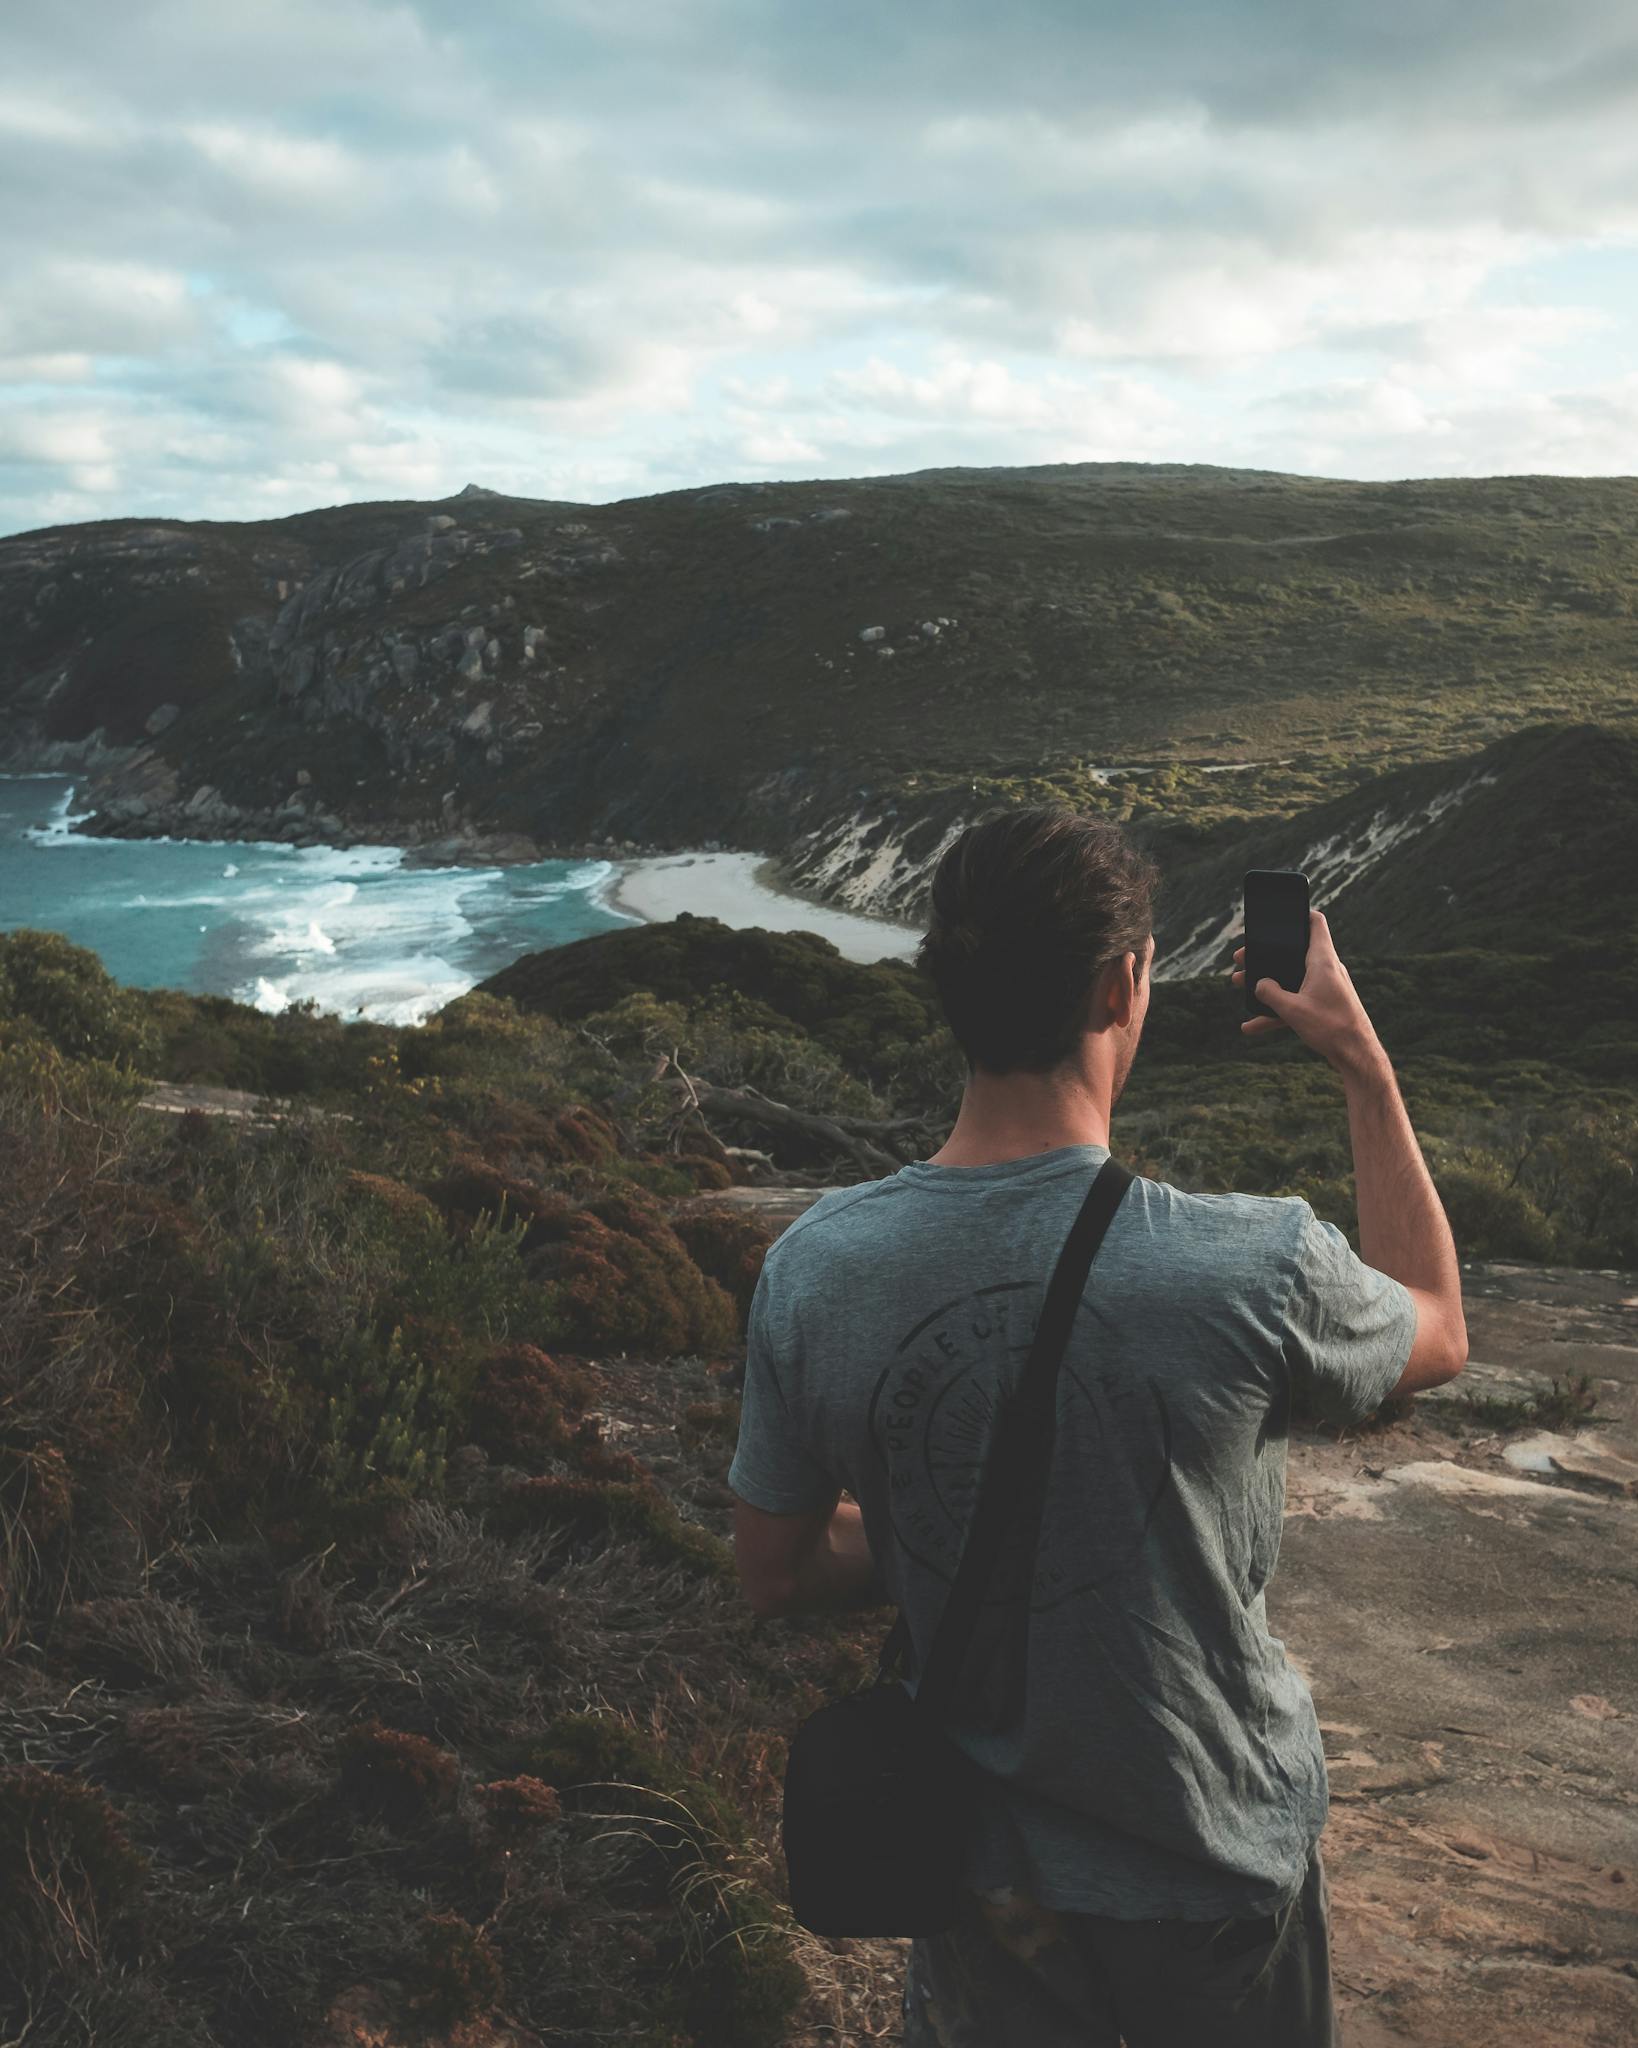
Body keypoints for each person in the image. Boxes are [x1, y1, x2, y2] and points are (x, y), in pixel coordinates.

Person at [728, 805, 1467, 2048]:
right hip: (1216, 1855)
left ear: (949, 989)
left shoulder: (818, 1270)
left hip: (978, 1870)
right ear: (1127, 982)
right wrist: (1361, 1060)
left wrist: (929, 1509)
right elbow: (1437, 1327)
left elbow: (778, 1566)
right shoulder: (1251, 1263)